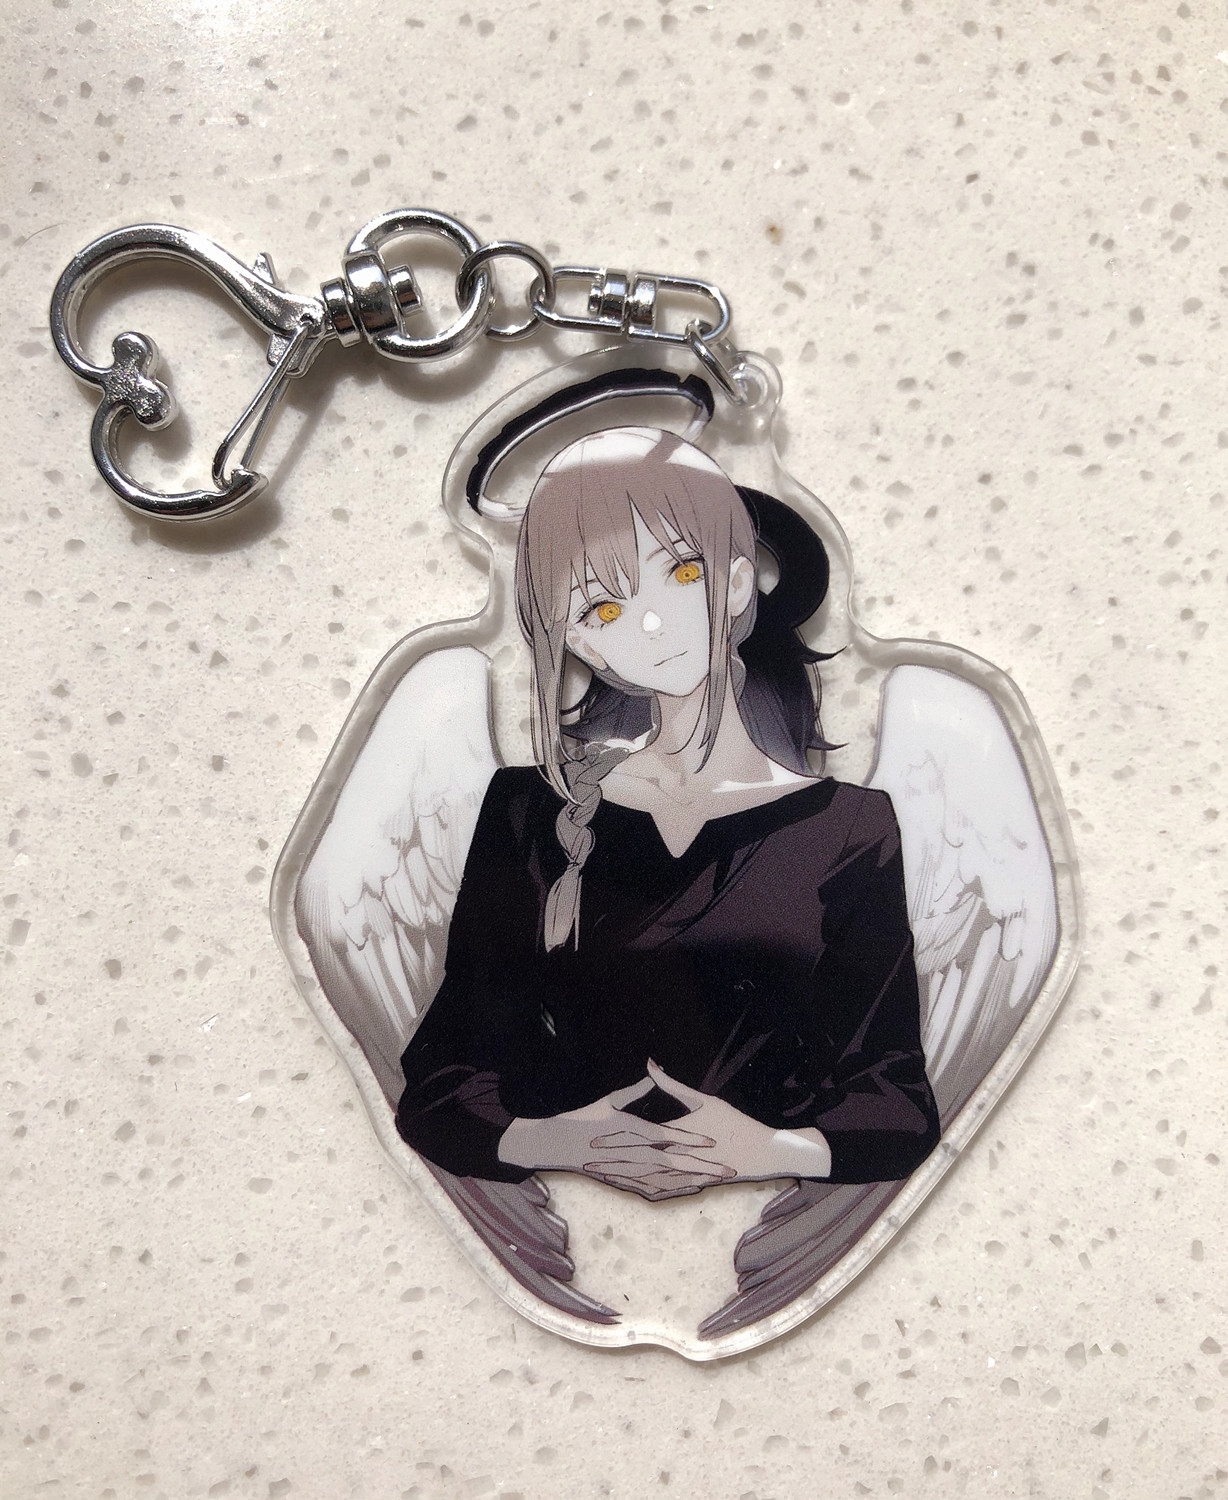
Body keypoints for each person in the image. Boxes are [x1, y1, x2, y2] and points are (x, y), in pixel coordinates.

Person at [395, 427, 939, 1201]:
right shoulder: (529, 812)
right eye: (603, 607)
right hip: (569, 1221)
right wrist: (561, 1142)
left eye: (682, 572)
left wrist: (765, 1151)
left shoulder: (849, 828)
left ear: (739, 583)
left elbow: (897, 1103)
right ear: (579, 642)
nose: (651, 625)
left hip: (778, 1223)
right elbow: (441, 1081)